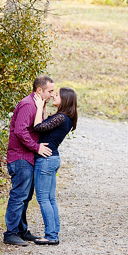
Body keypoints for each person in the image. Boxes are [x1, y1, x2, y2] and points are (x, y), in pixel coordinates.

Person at [3, 75, 55, 246]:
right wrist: (37, 147)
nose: (52, 95)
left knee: (25, 197)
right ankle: (11, 233)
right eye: (50, 91)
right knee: (19, 196)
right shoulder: (27, 104)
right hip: (20, 157)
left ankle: (21, 230)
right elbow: (20, 131)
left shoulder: (37, 105)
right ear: (39, 90)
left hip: (28, 157)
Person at [31, 86, 78, 245]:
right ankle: (53, 231)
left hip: (46, 160)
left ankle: (51, 236)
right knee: (50, 199)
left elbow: (38, 127)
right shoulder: (65, 118)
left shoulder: (61, 118)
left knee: (44, 199)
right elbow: (45, 126)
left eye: (57, 95)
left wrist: (38, 106)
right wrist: (42, 107)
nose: (54, 96)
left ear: (65, 99)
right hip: (53, 159)